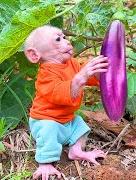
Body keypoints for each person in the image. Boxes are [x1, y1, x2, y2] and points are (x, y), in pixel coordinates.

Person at [24, 25, 109, 180]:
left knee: (80, 124)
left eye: (64, 37)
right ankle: (45, 163)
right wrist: (82, 76)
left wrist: (97, 73)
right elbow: (61, 93)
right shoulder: (46, 75)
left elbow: (86, 79)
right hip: (45, 121)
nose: (67, 42)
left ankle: (76, 151)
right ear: (35, 54)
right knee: (49, 129)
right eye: (58, 39)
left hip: (67, 121)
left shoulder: (72, 64)